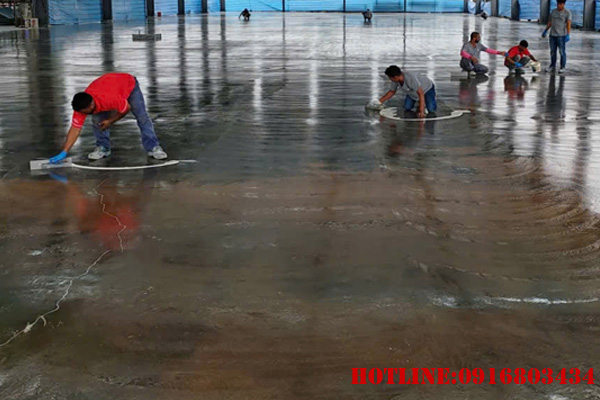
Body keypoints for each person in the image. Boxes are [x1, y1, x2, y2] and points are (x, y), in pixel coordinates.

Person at [49, 73, 167, 163]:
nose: (83, 115)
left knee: (142, 117)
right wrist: (64, 152)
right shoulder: (81, 106)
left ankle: (154, 147)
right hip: (108, 84)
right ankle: (103, 148)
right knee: (97, 121)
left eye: (85, 112)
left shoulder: (109, 98)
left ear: (91, 105)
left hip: (128, 84)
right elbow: (75, 129)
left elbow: (126, 108)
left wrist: (110, 121)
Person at [542, 0, 571, 73]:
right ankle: (552, 66)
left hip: (561, 36)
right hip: (552, 35)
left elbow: (568, 24)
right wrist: (545, 30)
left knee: (562, 52)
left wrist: (568, 34)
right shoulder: (553, 12)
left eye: (560, 4)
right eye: (558, 4)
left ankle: (562, 67)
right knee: (552, 51)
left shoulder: (567, 13)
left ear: (564, 4)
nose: (558, 5)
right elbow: (550, 22)